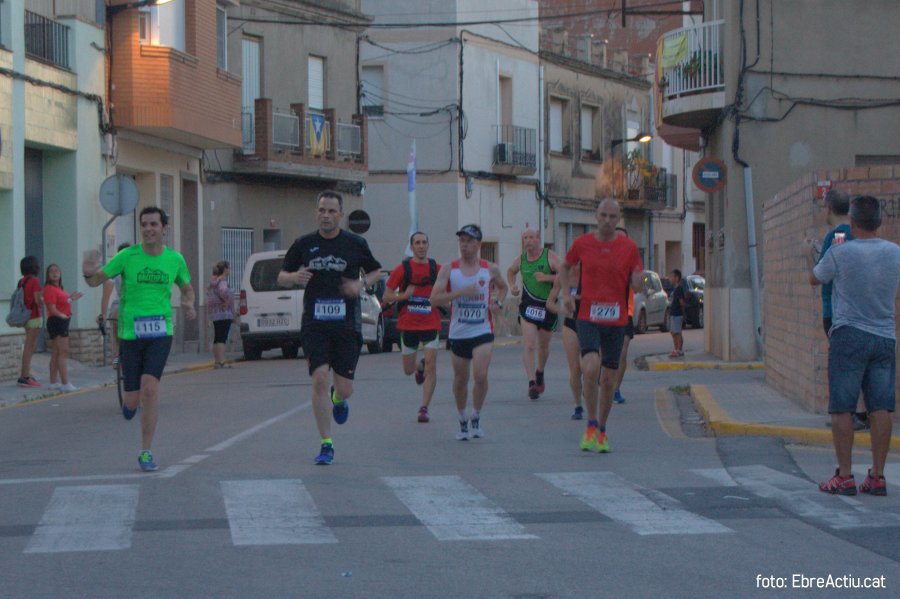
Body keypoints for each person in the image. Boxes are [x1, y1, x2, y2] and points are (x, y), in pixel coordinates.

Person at [83, 206, 196, 472]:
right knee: (132, 400)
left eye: (154, 224)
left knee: (150, 388)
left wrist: (189, 304)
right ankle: (129, 404)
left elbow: (188, 289)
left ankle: (146, 451)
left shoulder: (175, 259)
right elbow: (96, 280)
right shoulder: (127, 256)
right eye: (144, 224)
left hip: (160, 333)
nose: (148, 229)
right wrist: (88, 271)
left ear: (163, 229)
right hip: (130, 335)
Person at [278, 190, 381, 465]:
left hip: (346, 324)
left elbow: (375, 271)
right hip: (315, 322)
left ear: (341, 215)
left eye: (331, 211)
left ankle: (338, 398)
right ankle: (326, 443)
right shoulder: (304, 244)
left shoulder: (355, 243)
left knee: (344, 388)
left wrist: (360, 285)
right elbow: (282, 275)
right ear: (316, 212)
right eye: (321, 210)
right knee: (320, 378)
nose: (326, 216)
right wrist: (294, 276)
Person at [809, 196, 899, 497]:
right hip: (885, 336)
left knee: (842, 407)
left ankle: (845, 476)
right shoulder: (894, 252)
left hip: (848, 334)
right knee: (881, 407)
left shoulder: (840, 252)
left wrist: (813, 255)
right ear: (879, 222)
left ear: (853, 221)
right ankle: (877, 476)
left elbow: (815, 278)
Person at [559, 199, 643, 453]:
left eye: (612, 216)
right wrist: (565, 294)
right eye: (603, 215)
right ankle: (591, 422)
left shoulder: (629, 247)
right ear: (596, 216)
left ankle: (603, 429)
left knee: (608, 379)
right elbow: (564, 266)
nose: (607, 220)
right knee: (590, 366)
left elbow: (637, 281)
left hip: (617, 320)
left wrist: (637, 281)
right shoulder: (582, 244)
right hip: (588, 316)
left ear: (619, 219)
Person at [430, 224, 508, 441]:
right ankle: (462, 416)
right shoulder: (449, 269)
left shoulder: (489, 269)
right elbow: (434, 299)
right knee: (461, 379)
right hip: (459, 331)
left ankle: (477, 414)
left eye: (470, 241)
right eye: (462, 241)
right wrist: (460, 292)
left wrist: (498, 303)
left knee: (481, 375)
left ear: (479, 244)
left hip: (482, 329)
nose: (465, 245)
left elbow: (503, 287)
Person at [815, 189, 868, 430]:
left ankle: (851, 415)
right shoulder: (857, 234)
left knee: (845, 365)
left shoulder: (834, 235)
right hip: (859, 309)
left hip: (835, 310)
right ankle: (863, 413)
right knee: (861, 362)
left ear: (828, 207)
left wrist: (809, 255)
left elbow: (823, 273)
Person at [382, 232, 442, 423]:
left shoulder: (437, 269)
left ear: (428, 245)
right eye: (417, 243)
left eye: (424, 242)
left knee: (433, 365)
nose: (421, 246)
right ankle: (419, 366)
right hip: (408, 324)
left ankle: (423, 408)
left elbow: (451, 286)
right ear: (412, 246)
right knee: (408, 370)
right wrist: (404, 296)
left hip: (431, 323)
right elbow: (386, 296)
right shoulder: (403, 269)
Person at [507, 228, 560, 399]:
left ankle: (540, 372)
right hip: (528, 307)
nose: (528, 241)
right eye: (525, 238)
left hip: (547, 307)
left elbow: (566, 275)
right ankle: (531, 383)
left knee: (543, 347)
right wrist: (512, 285)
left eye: (531, 237)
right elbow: (510, 271)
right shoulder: (521, 259)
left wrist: (546, 278)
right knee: (529, 344)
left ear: (538, 239)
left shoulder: (549, 256)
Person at [546, 264, 585, 419]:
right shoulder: (563, 276)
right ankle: (578, 405)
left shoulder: (591, 274)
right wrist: (561, 310)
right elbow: (549, 302)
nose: (576, 265)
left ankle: (588, 389)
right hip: (571, 324)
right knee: (575, 369)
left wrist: (580, 298)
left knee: (588, 367)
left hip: (590, 323)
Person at [43, 264, 83, 392]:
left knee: (56, 351)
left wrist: (71, 298)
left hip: (62, 320)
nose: (55, 273)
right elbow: (52, 308)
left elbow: (62, 303)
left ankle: (53, 382)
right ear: (48, 275)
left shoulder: (59, 288)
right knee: (63, 351)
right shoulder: (49, 289)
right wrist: (62, 316)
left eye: (57, 270)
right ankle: (65, 383)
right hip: (58, 321)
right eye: (51, 271)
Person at [97, 243, 132, 366]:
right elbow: (106, 295)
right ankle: (119, 353)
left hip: (134, 305)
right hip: (122, 304)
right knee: (117, 318)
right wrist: (103, 316)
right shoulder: (116, 271)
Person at [612, 226, 635, 404]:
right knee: (603, 352)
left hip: (624, 312)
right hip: (602, 312)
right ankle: (602, 380)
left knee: (622, 352)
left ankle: (616, 389)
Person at [16, 256, 43, 388]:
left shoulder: (22, 281)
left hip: (26, 317)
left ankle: (25, 374)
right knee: (30, 346)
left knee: (29, 345)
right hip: (34, 316)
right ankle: (24, 376)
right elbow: (38, 300)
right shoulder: (35, 281)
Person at [207, 260, 236, 369]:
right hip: (224, 313)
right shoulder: (222, 282)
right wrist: (227, 301)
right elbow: (223, 291)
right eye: (229, 268)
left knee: (217, 337)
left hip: (214, 313)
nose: (230, 270)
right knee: (222, 338)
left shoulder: (213, 282)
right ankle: (221, 361)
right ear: (225, 270)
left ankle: (217, 361)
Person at [668, 269, 687, 358]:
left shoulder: (679, 289)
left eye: (671, 277)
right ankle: (676, 349)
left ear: (677, 278)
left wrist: (683, 313)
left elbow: (681, 302)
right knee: (673, 332)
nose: (670, 279)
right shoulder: (674, 289)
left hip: (677, 313)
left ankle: (679, 350)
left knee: (677, 332)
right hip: (673, 313)